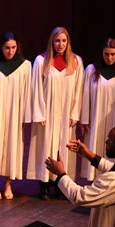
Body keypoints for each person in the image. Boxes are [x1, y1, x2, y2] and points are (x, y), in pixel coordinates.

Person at [26, 26, 84, 199]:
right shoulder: (41, 61)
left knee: (62, 148)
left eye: (64, 41)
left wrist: (75, 114)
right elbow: (35, 88)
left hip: (66, 113)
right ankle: (44, 184)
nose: (60, 44)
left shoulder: (76, 61)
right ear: (52, 41)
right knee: (46, 146)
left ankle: (60, 184)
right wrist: (39, 113)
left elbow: (78, 90)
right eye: (57, 41)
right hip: (47, 112)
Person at [0, 32, 31, 199]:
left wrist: (25, 116)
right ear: (1, 48)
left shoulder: (25, 66)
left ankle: (9, 183)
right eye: (7, 48)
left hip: (15, 112)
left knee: (13, 145)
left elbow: (28, 92)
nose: (10, 52)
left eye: (13, 48)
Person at [80, 38, 115, 180]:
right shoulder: (92, 70)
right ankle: (93, 179)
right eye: (106, 54)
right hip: (95, 118)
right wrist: (84, 119)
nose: (109, 58)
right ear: (102, 53)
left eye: (113, 54)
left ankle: (112, 179)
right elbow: (85, 95)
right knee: (95, 144)